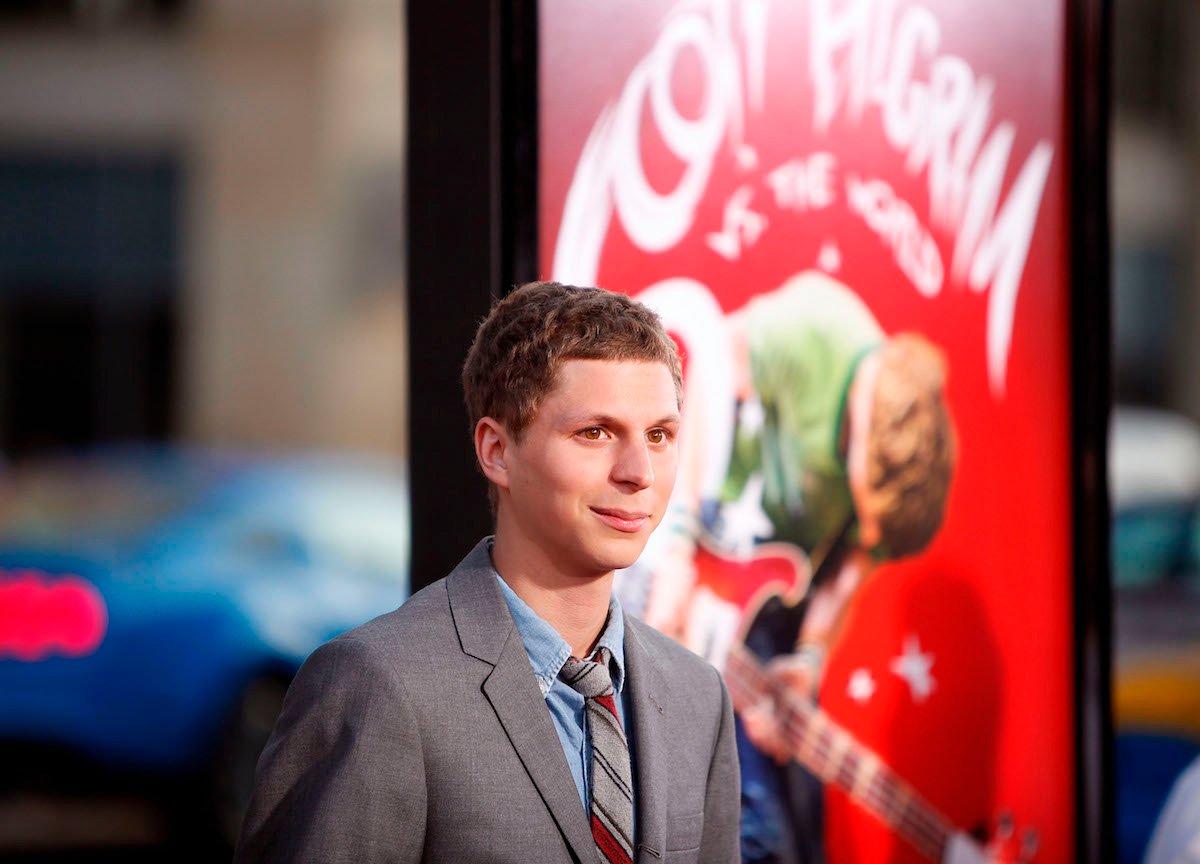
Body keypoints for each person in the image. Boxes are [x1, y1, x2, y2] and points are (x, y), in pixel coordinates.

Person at [234, 281, 741, 863]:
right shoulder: (377, 685)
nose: (638, 471)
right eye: (595, 433)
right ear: (497, 451)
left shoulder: (698, 695)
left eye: (659, 435)